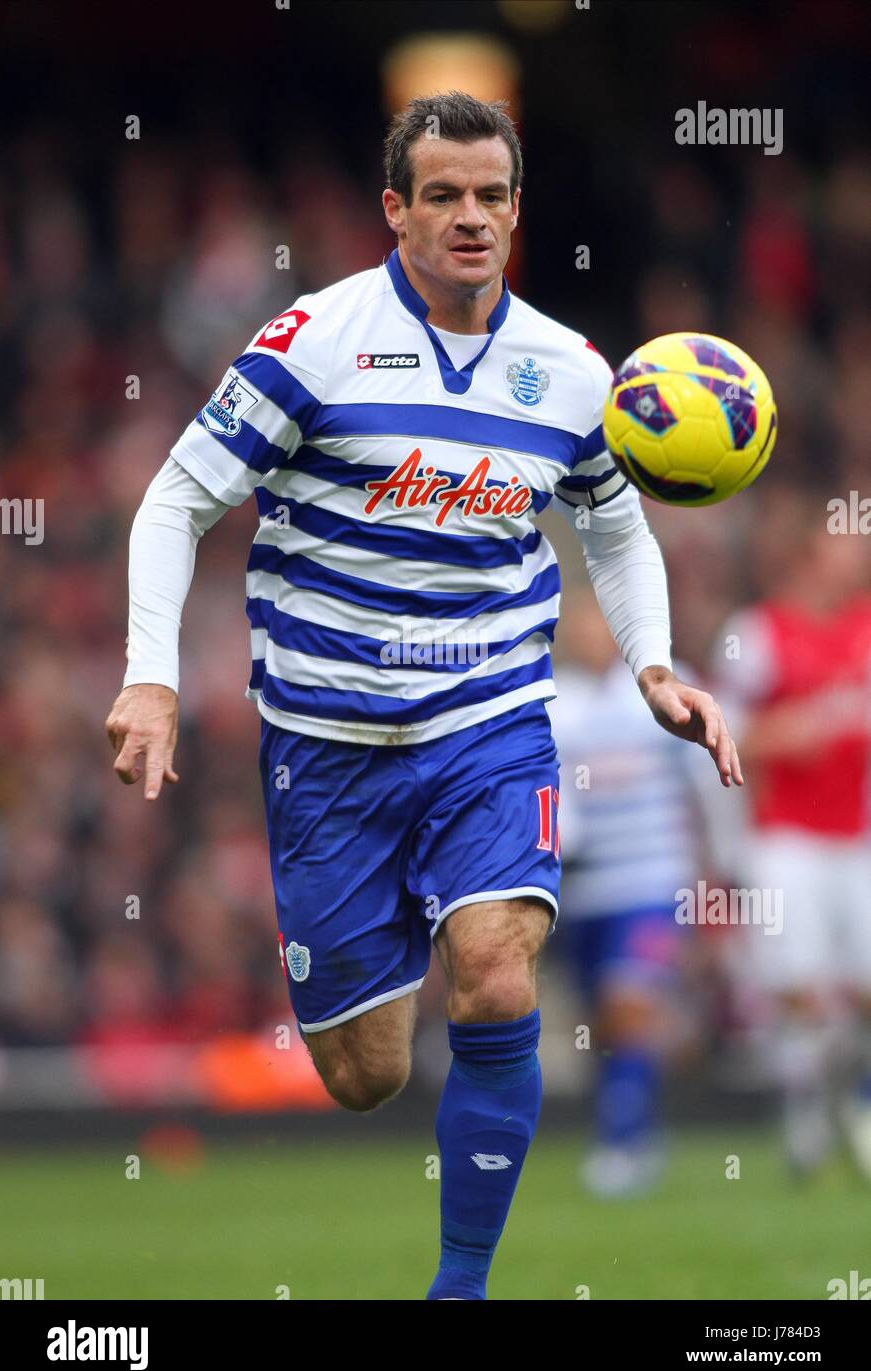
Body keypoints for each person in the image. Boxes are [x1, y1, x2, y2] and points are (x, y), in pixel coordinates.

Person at [105, 91, 740, 1301]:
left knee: (498, 970)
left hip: (492, 722)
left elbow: (614, 527)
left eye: (490, 196)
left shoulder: (568, 372)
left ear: (516, 210)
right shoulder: (309, 345)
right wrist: (150, 678)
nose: (469, 218)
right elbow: (175, 501)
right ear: (392, 209)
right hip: (327, 742)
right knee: (364, 1071)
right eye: (440, 195)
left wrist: (653, 662)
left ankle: (460, 1288)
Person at [714, 501, 871, 1178]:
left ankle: (850, 1100)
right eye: (847, 544)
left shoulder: (867, 627)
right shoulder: (759, 633)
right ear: (812, 554)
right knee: (801, 989)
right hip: (785, 838)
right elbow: (726, 736)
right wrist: (792, 731)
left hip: (856, 836)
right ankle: (808, 1118)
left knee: (862, 987)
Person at [550, 591, 705, 1196]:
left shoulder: (664, 693)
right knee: (601, 1024)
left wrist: (717, 869)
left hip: (650, 881)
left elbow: (708, 780)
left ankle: (621, 1146)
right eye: (582, 627)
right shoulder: (554, 702)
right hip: (581, 892)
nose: (592, 637)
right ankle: (634, 1125)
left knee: (628, 1007)